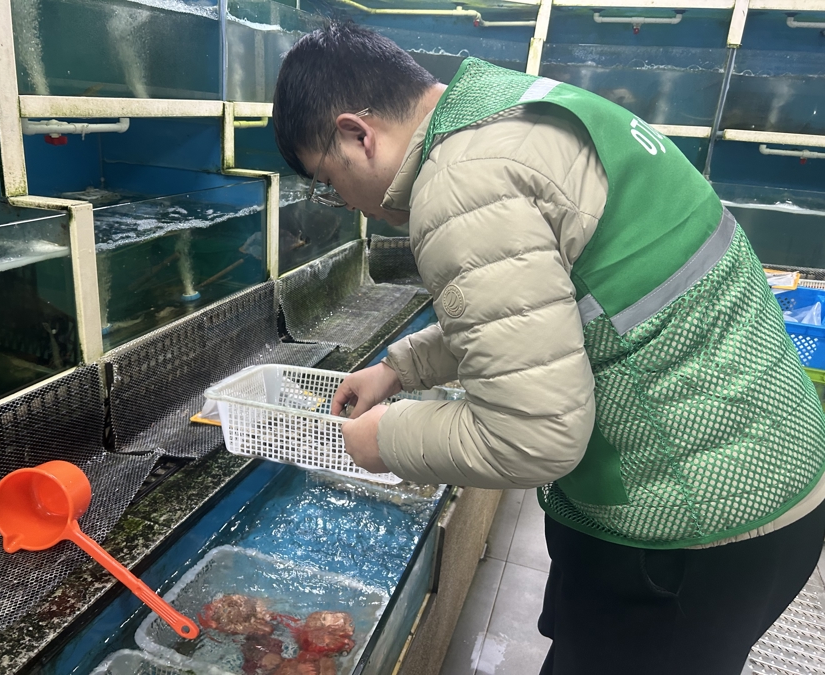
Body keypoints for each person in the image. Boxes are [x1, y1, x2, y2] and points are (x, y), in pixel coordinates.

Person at [272, 22, 825, 675]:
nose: (342, 202)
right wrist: (400, 369)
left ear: (356, 134)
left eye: (326, 181)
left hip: (692, 526)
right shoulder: (504, 109)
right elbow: (537, 308)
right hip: (764, 471)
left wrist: (383, 439)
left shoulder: (462, 181)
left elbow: (532, 436)